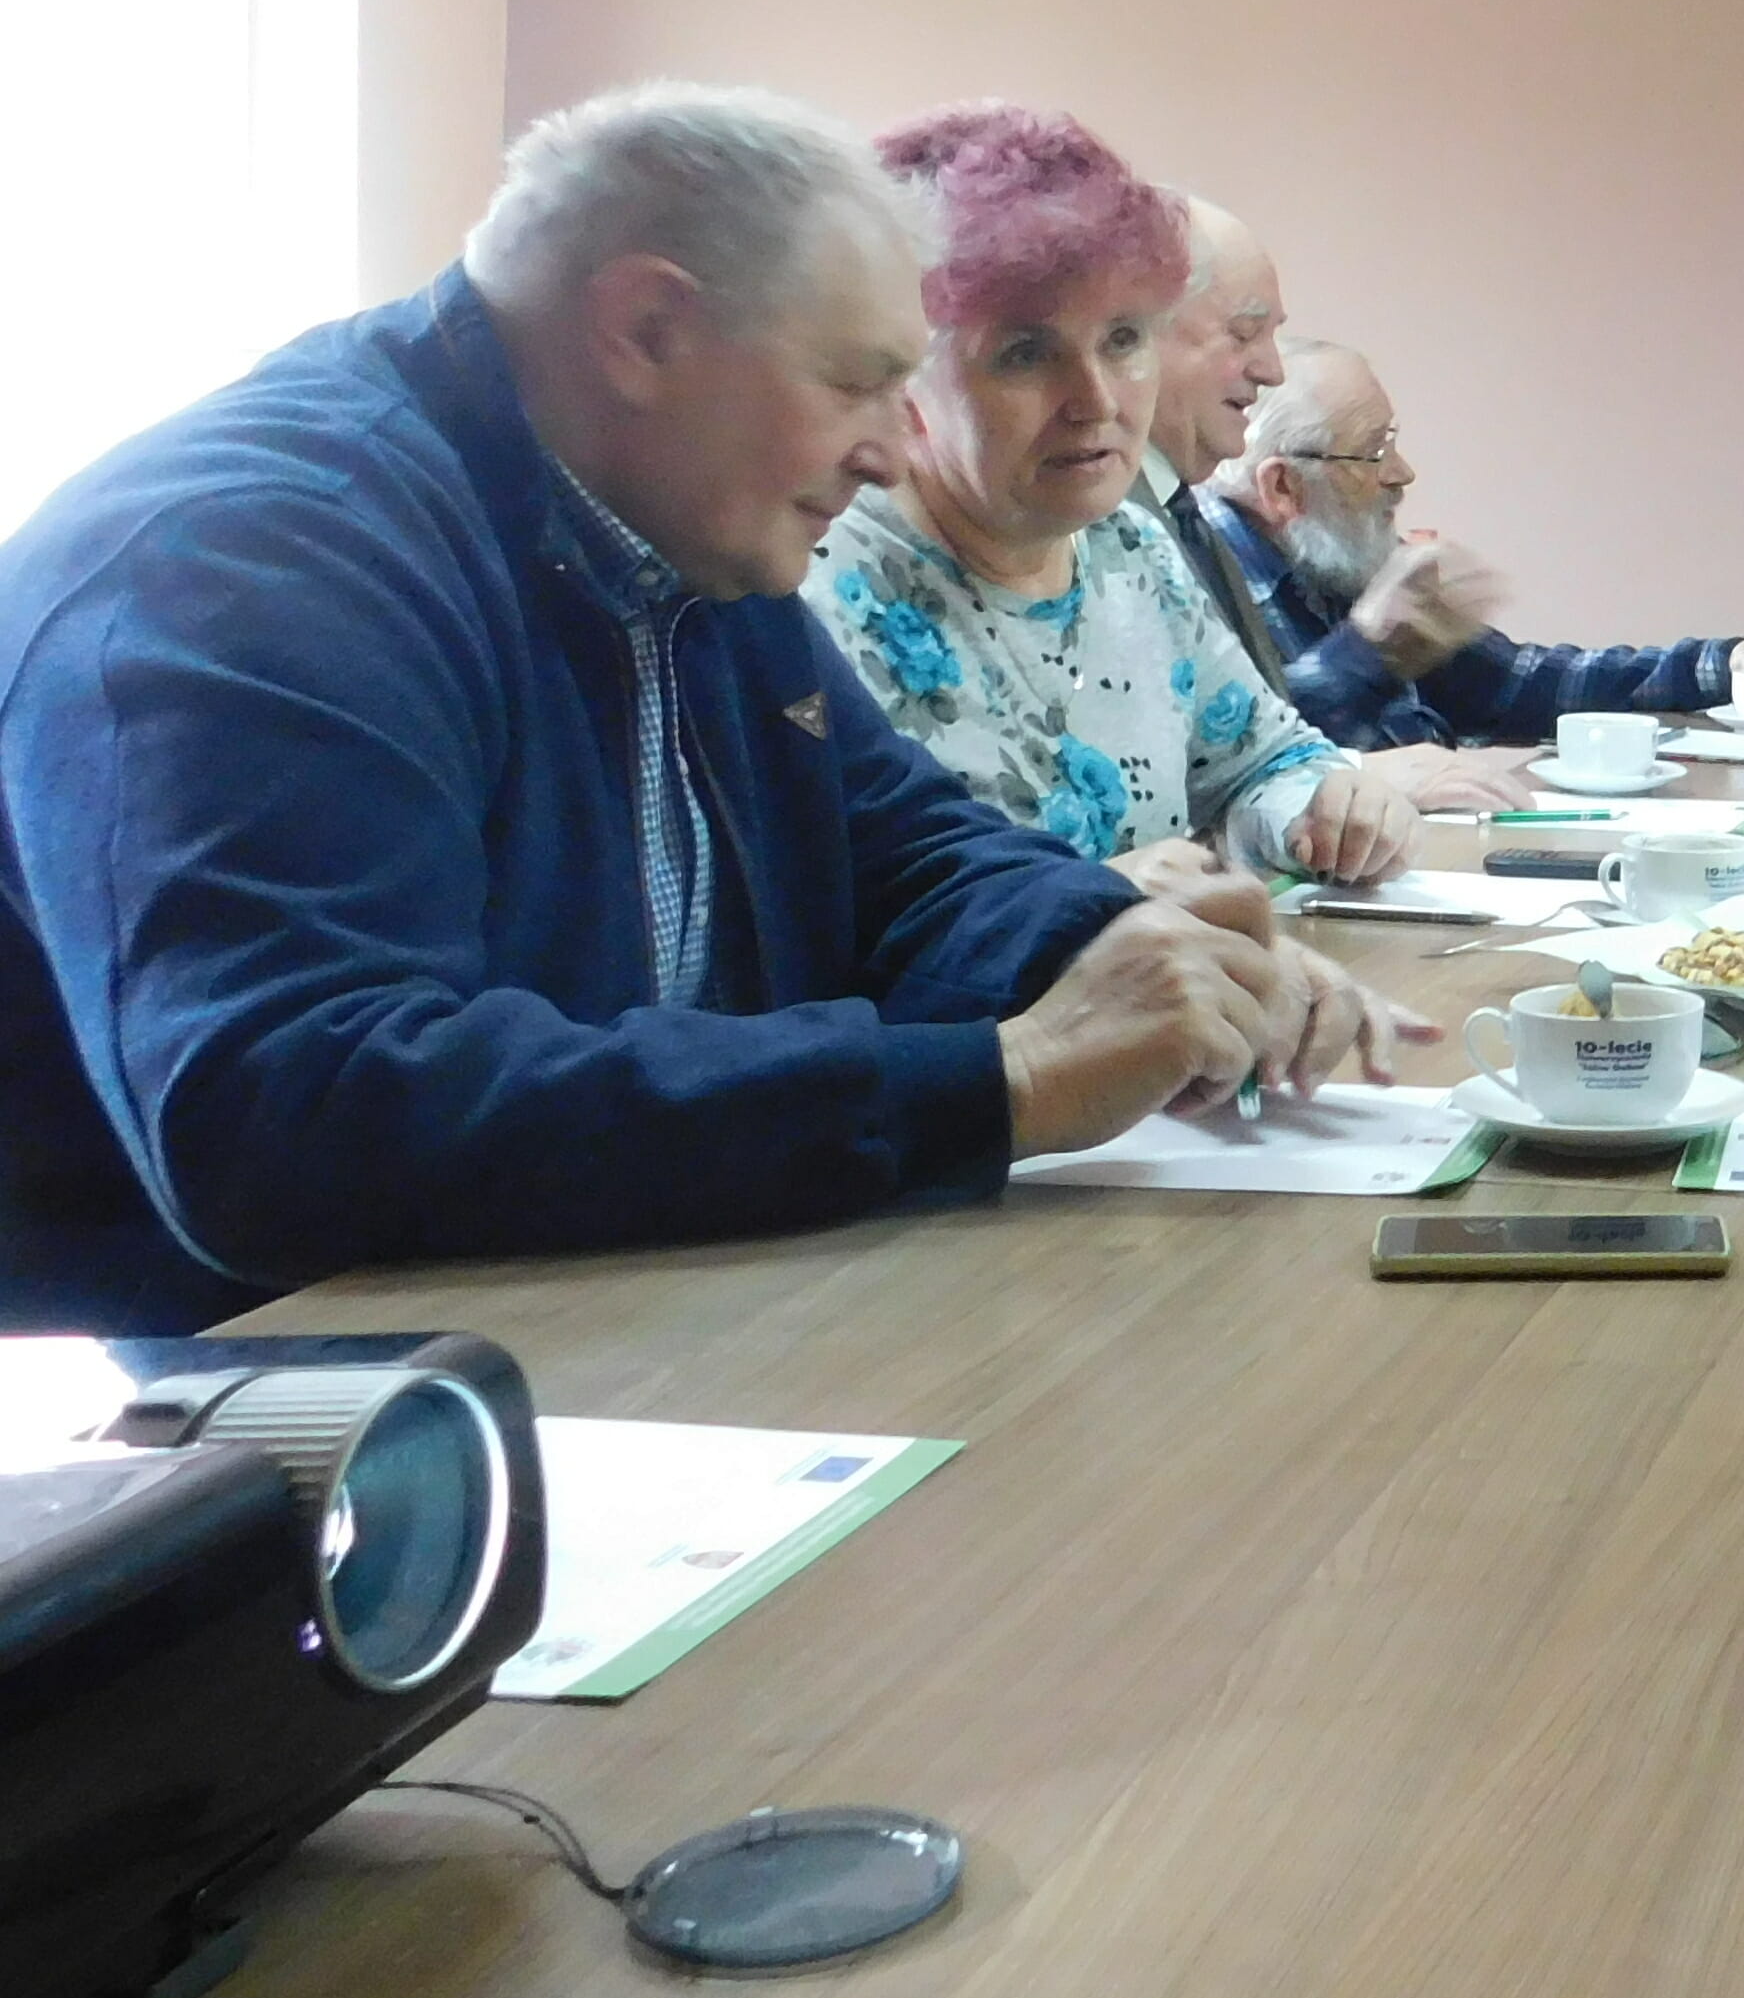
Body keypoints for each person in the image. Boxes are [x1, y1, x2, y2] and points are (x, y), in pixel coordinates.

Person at [0, 83, 1416, 1337]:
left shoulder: (682, 521)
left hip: (602, 1312)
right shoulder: (246, 560)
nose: (891, 452)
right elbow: (294, 1113)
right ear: (646, 328)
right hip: (246, 1403)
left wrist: (1129, 949)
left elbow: (897, 847)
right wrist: (1001, 1080)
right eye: (858, 383)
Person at [805, 107, 1412, 884]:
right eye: (1026, 354)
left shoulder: (1130, 549)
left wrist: (1325, 809)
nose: (1096, 400)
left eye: (1123, 339)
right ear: (905, 376)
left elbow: (1264, 762)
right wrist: (1099, 898)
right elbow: (832, 914)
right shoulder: (820, 588)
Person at [1203, 340, 1744, 758]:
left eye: (1391, 442)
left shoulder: (1331, 550)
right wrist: (1367, 653)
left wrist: (1717, 666)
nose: (1402, 473)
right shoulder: (1195, 578)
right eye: (1374, 452)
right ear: (1283, 487)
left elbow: (1516, 684)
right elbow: (1243, 761)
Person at [1139, 188, 1304, 695]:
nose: (1273, 371)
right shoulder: (1086, 529)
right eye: (1244, 333)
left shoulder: (1184, 516)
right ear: (1136, 334)